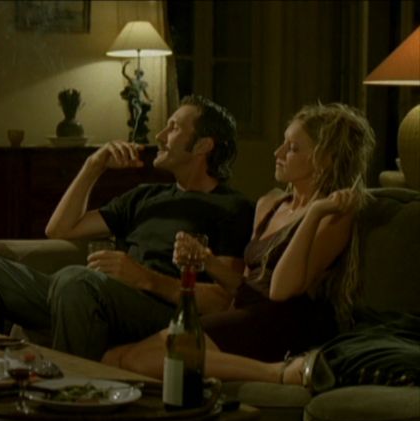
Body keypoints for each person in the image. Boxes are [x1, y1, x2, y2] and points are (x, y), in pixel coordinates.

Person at [0, 95, 254, 361]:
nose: (160, 135)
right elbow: (60, 229)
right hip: (89, 295)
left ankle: (72, 396)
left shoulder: (232, 207)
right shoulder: (145, 196)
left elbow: (222, 300)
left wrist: (144, 278)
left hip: (159, 311)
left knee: (76, 280)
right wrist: (93, 165)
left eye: (173, 128)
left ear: (203, 145)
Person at [102, 102, 376, 389]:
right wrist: (207, 261)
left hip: (290, 322)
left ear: (325, 160)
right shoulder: (270, 204)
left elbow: (281, 290)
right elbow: (245, 286)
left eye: (292, 148)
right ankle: (270, 373)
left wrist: (314, 213)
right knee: (112, 358)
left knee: (140, 360)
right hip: (251, 312)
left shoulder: (334, 215)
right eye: (283, 143)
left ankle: (278, 373)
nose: (278, 153)